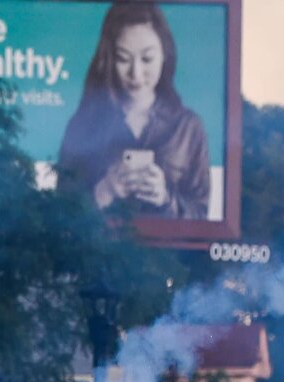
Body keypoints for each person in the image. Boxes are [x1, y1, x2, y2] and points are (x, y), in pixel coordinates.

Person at [57, 3, 212, 220]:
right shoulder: (82, 125)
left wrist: (165, 199)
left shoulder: (188, 127)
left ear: (165, 55)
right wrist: (104, 191)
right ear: (109, 59)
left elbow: (203, 217)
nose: (136, 73)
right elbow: (57, 218)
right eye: (123, 58)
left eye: (147, 59)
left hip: (168, 254)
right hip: (99, 253)